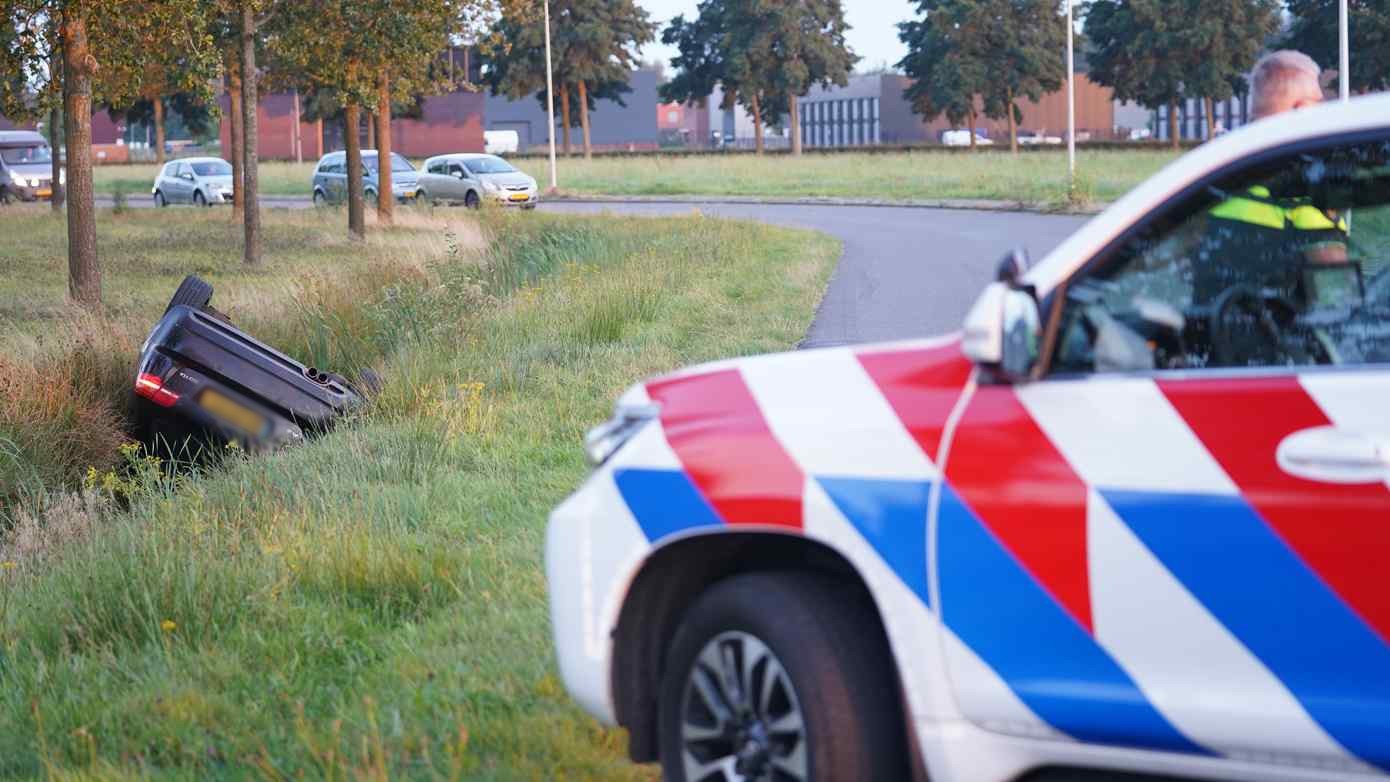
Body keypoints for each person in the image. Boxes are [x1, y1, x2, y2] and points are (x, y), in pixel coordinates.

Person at [1194, 50, 1349, 308]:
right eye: (1318, 102)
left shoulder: (1210, 166)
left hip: (1208, 332)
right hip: (1273, 339)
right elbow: (1337, 285)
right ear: (1300, 108)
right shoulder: (1302, 186)